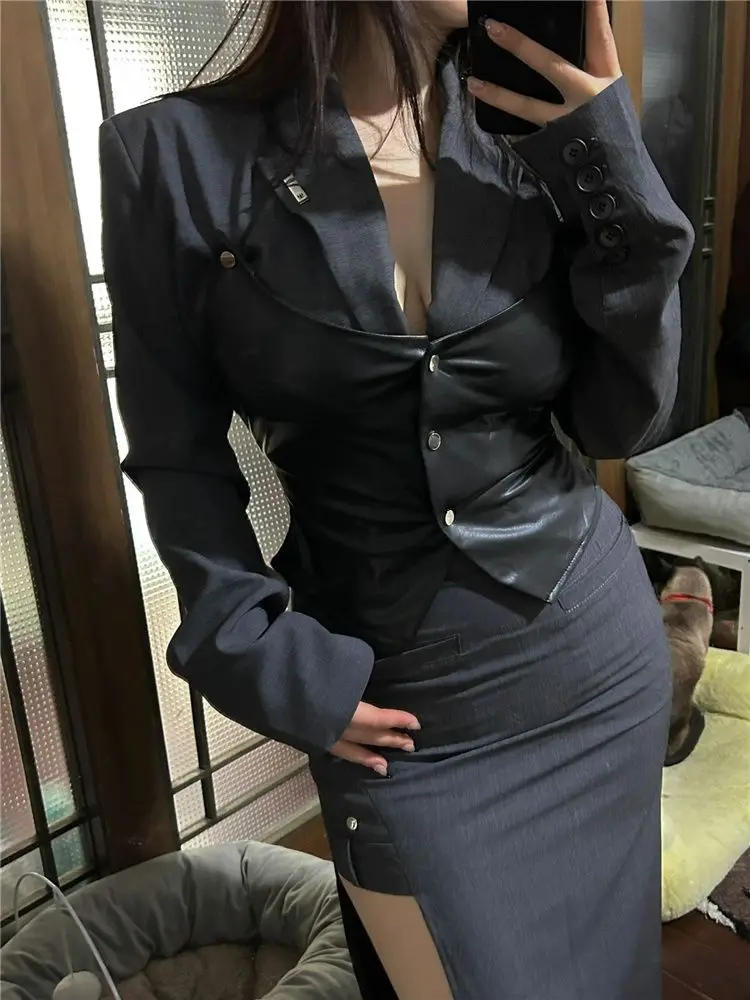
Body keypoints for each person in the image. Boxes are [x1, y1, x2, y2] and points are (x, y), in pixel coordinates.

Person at [99, 2, 693, 997]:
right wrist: (259, 654)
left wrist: (611, 168)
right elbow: (175, 458)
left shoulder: (533, 128)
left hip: (592, 657)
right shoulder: (174, 158)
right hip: (402, 713)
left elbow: (614, 424)